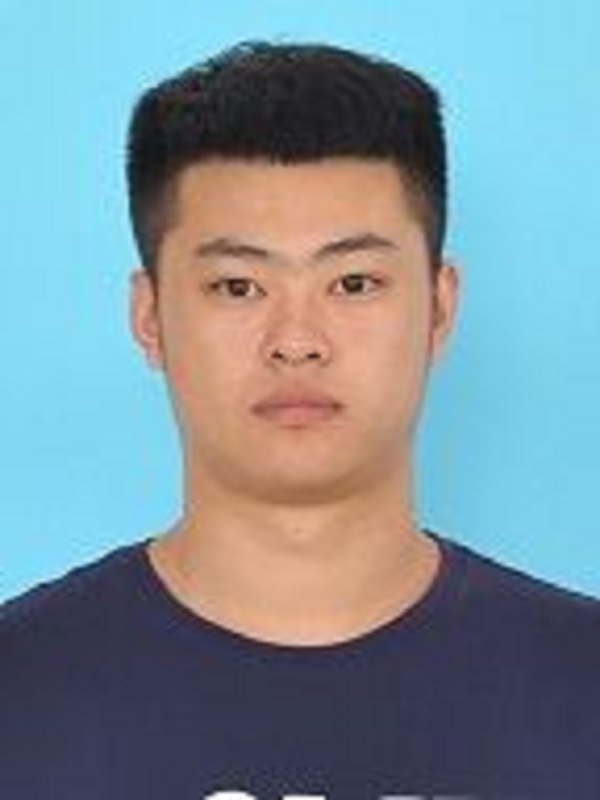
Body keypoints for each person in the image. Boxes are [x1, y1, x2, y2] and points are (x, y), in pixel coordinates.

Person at [1, 40, 598, 800]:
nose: (296, 341)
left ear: (439, 307)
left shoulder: (582, 687)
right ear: (149, 316)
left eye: (353, 283)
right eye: (238, 287)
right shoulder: (19, 694)